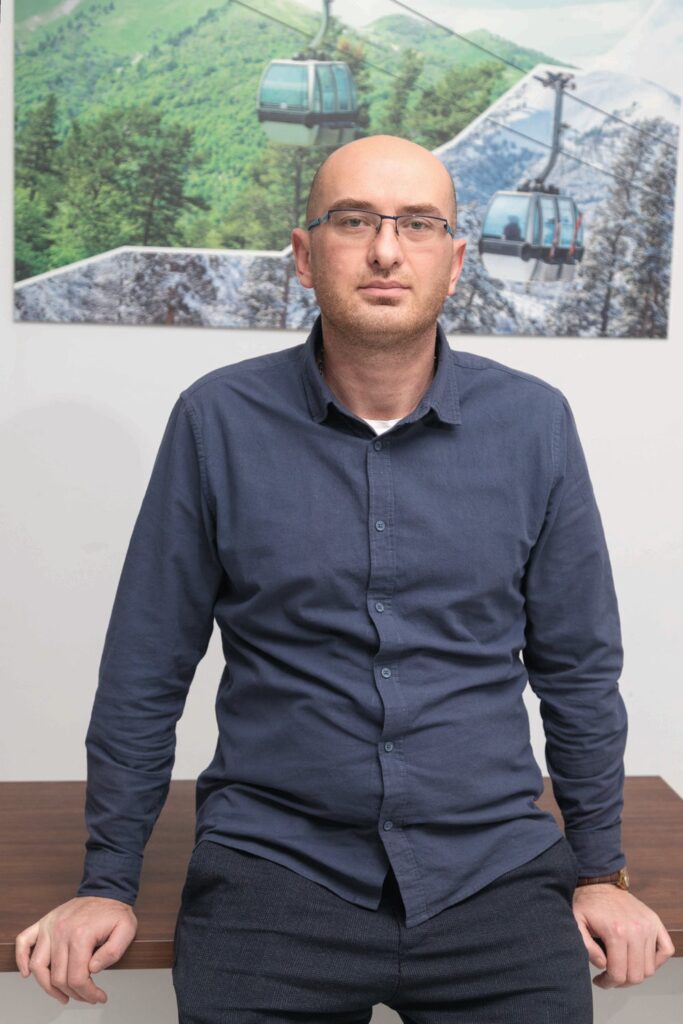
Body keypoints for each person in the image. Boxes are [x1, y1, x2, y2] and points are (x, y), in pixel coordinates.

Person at [15, 135, 674, 1022]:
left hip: (494, 874)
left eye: (418, 224)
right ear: (303, 254)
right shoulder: (216, 421)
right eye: (354, 220)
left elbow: (578, 668)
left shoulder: (534, 425)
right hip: (273, 875)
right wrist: (107, 881)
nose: (386, 250)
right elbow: (145, 667)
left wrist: (600, 872)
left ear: (454, 262)